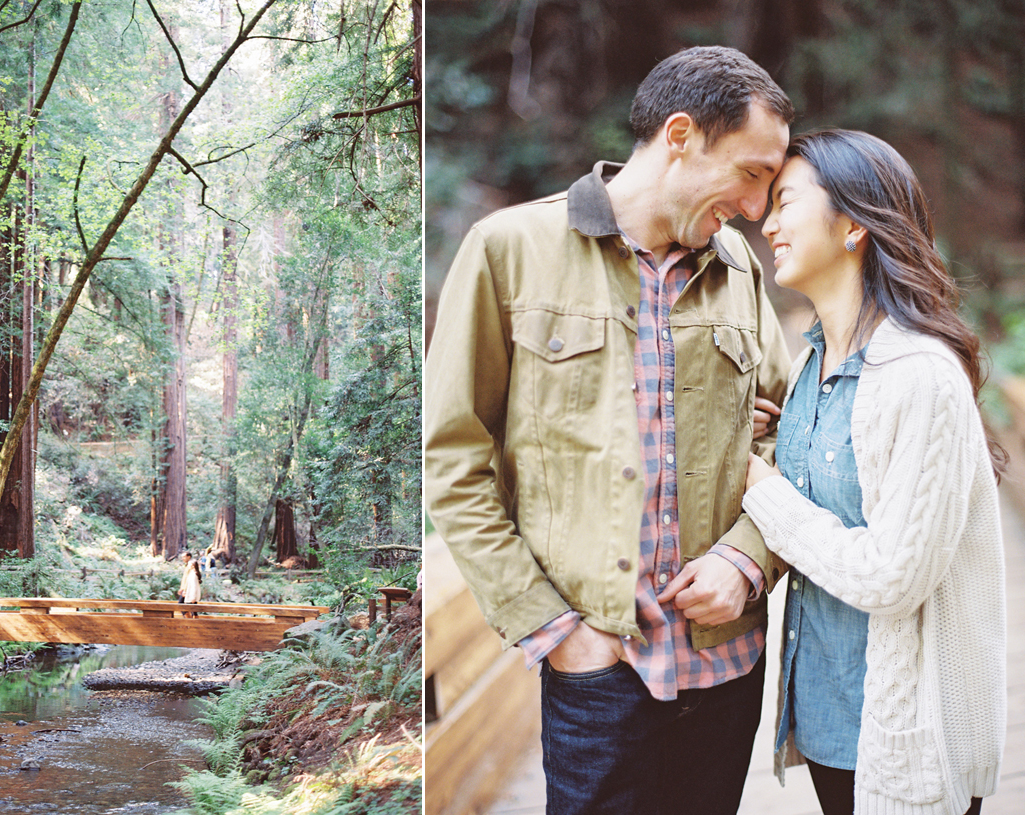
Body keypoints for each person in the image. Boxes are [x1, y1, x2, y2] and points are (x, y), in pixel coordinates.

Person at [423, 46, 794, 814]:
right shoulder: (509, 251)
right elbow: (454, 461)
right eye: (752, 173)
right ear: (682, 135)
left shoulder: (740, 271)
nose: (759, 208)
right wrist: (554, 629)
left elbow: (793, 434)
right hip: (596, 671)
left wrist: (749, 559)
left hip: (726, 669)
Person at [744, 129, 1006, 815]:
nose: (766, 222)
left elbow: (894, 574)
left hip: (909, 732)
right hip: (832, 719)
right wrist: (775, 441)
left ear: (854, 223)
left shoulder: (919, 373)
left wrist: (761, 488)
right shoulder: (812, 369)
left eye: (785, 201)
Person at [177, 550, 202, 617]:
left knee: (188, 606)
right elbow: (185, 578)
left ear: (189, 557)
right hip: (186, 589)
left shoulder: (192, 568)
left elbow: (192, 583)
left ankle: (191, 621)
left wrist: (184, 590)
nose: (182, 558)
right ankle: (190, 620)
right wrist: (182, 588)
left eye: (184, 557)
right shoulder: (188, 566)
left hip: (189, 590)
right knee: (191, 607)